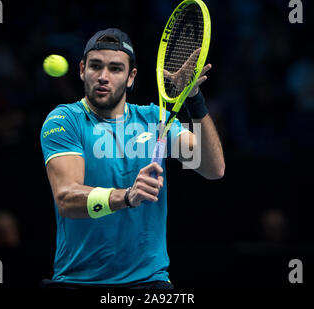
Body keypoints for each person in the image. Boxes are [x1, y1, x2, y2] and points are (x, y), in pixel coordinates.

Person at [40, 28, 225, 289]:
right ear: (82, 70)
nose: (103, 77)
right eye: (95, 66)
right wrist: (127, 196)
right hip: (78, 281)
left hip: (149, 282)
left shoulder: (154, 119)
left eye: (115, 69)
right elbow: (67, 198)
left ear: (131, 77)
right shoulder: (65, 120)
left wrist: (194, 99)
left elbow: (213, 167)